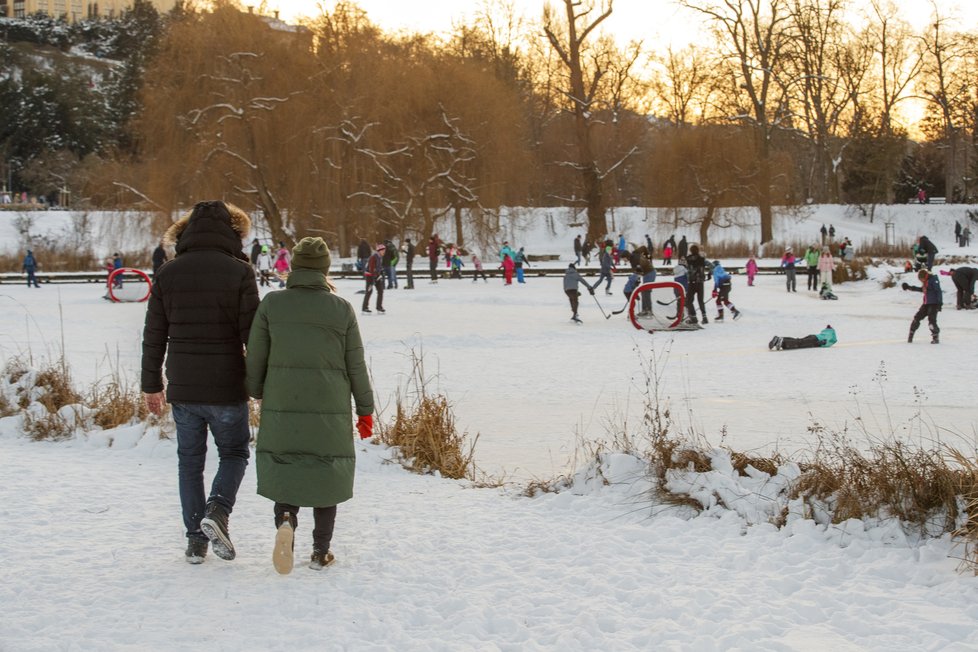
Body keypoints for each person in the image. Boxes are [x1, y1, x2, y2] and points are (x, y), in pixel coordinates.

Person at [245, 236, 374, 574]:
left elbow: (256, 354)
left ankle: (286, 521)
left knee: (286, 463)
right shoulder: (341, 308)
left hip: (282, 400)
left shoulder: (272, 304)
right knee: (325, 469)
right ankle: (320, 551)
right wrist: (365, 409)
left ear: (296, 266)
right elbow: (355, 364)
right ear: (324, 269)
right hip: (329, 405)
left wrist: (257, 390)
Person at [140, 200, 259, 564]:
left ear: (184, 232)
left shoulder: (168, 273)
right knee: (235, 452)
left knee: (189, 462)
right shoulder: (240, 272)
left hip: (184, 384)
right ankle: (218, 511)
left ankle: (195, 540)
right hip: (226, 384)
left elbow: (154, 335)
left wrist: (151, 385)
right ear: (233, 233)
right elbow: (253, 336)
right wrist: (259, 384)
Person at [902, 268, 942, 344]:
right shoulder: (926, 282)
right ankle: (911, 334)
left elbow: (938, 291)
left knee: (931, 321)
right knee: (917, 318)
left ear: (925, 276)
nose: (921, 281)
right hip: (926, 303)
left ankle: (935, 337)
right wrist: (909, 287)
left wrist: (939, 303)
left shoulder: (933, 280)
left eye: (921, 279)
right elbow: (921, 289)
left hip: (934, 304)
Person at [685, 244, 708, 325]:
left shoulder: (688, 259)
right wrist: (709, 274)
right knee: (700, 300)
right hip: (700, 282)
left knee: (688, 301)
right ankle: (705, 317)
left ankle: (693, 317)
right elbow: (711, 266)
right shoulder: (702, 259)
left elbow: (686, 270)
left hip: (692, 282)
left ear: (691, 251)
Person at [769, 325, 837, 351]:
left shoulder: (826, 332)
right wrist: (823, 342)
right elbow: (830, 341)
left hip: (814, 337)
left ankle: (781, 341)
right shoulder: (832, 336)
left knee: (799, 341)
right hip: (815, 340)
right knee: (799, 343)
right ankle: (782, 341)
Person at [362, 243, 386, 313]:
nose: (384, 252)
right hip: (370, 276)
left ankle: (379, 307)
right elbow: (371, 268)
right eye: (382, 251)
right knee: (369, 291)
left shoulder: (380, 257)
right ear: (379, 251)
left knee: (380, 291)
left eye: (384, 250)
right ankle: (364, 308)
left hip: (377, 276)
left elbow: (378, 267)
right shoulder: (373, 257)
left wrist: (380, 272)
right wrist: (373, 278)